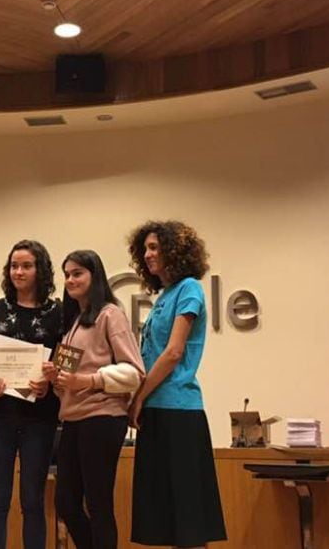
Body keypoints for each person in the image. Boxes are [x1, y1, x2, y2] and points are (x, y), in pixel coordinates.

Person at [127, 221, 227, 548]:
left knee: (188, 517)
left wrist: (139, 396)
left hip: (179, 412)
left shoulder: (189, 288)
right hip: (156, 409)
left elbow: (173, 352)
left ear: (176, 251)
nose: (148, 254)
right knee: (167, 517)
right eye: (145, 249)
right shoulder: (165, 296)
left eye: (155, 247)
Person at [0, 240, 62, 549]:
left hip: (40, 419)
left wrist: (51, 383)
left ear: (40, 270)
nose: (18, 272)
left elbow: (69, 360)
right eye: (14, 266)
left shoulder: (58, 313)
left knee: (32, 500)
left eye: (26, 266)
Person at [42, 250, 144, 549]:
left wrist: (86, 380)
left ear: (94, 276)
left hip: (102, 418)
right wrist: (55, 377)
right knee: (65, 502)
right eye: (67, 274)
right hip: (73, 419)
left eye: (78, 273)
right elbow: (68, 381)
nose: (70, 279)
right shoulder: (73, 323)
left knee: (98, 504)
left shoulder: (110, 313)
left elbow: (134, 372)